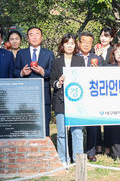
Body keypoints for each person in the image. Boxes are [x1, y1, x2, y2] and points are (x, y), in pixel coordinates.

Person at [49, 33, 85, 165]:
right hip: (60, 100)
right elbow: (51, 81)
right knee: (62, 133)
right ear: (62, 45)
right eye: (67, 43)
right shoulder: (56, 61)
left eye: (72, 43)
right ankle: (63, 159)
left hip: (76, 101)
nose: (69, 46)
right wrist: (59, 82)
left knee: (77, 131)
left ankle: (78, 159)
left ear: (75, 45)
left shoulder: (80, 60)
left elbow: (83, 80)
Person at [14, 26, 54, 135]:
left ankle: (45, 148)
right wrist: (22, 73)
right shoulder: (21, 53)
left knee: (44, 126)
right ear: (27, 38)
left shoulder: (49, 53)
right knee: (26, 125)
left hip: (43, 95)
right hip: (25, 95)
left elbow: (53, 73)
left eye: (37, 34)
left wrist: (43, 72)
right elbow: (14, 72)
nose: (34, 37)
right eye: (31, 34)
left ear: (41, 37)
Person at [77, 31, 103, 161]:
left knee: (92, 126)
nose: (86, 44)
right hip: (77, 95)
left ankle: (91, 152)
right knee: (76, 126)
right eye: (84, 41)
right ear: (79, 43)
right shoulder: (74, 57)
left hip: (92, 96)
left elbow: (104, 77)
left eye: (89, 42)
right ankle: (76, 151)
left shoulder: (98, 59)